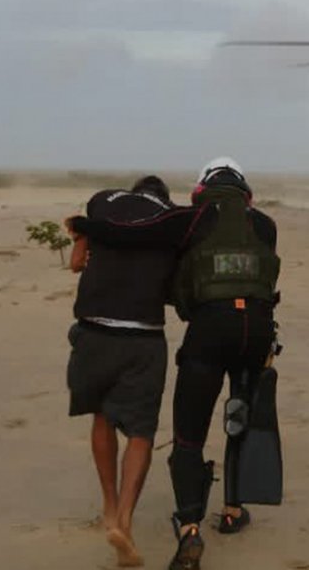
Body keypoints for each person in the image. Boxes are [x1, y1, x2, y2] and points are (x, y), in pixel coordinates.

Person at [67, 158, 281, 570]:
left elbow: (133, 234)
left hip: (209, 331)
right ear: (246, 193)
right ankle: (234, 508)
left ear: (202, 190)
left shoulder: (193, 217)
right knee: (241, 415)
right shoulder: (268, 226)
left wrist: (85, 225)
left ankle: (190, 529)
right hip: (257, 331)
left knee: (189, 433)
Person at [65, 175, 180, 568]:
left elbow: (76, 263)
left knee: (102, 414)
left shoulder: (102, 209)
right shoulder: (171, 223)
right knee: (141, 432)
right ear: (163, 199)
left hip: (95, 330)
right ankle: (126, 521)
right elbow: (175, 290)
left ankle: (109, 507)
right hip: (143, 337)